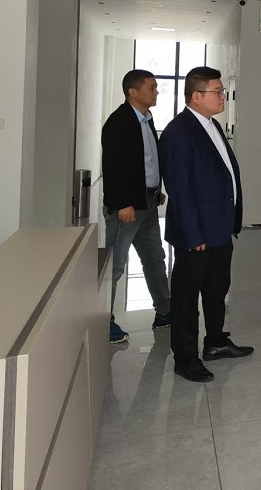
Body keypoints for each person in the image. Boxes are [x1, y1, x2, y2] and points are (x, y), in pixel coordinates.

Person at [159, 66, 253, 383]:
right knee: (186, 298)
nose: (223, 96)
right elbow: (179, 189)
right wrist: (192, 234)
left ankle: (216, 341)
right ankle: (185, 358)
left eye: (222, 91)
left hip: (218, 230)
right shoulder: (179, 132)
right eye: (217, 91)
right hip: (196, 234)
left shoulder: (211, 125)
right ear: (197, 96)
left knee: (216, 290)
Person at [101, 69, 171, 344]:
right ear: (133, 92)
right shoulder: (118, 122)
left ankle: (165, 311)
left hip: (148, 203)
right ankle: (102, 322)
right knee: (115, 266)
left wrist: (156, 189)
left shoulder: (146, 119)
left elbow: (148, 161)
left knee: (154, 259)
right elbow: (112, 167)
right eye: (151, 87)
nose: (156, 92)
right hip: (128, 208)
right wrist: (122, 204)